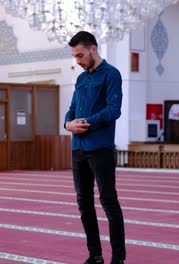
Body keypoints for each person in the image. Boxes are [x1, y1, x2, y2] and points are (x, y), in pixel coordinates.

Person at [64, 31, 126, 264]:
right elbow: (72, 108)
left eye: (80, 55)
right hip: (78, 149)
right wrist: (68, 123)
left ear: (93, 49)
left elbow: (114, 110)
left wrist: (87, 122)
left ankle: (118, 258)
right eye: (74, 56)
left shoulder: (111, 74)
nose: (77, 60)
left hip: (100, 148)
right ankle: (95, 255)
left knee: (108, 201)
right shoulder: (81, 79)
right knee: (84, 203)